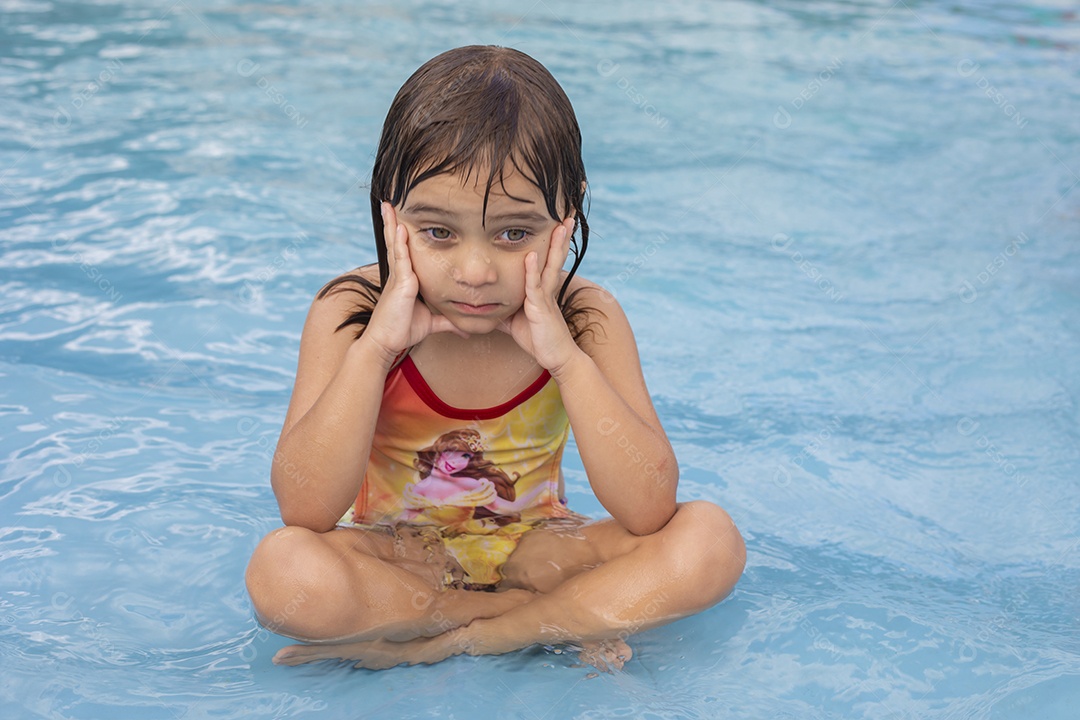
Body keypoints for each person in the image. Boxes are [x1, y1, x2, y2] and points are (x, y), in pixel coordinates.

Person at [244, 45, 745, 672]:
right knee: (283, 570)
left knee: (710, 540)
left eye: (514, 234)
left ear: (567, 214)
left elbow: (648, 510)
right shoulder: (353, 312)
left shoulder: (587, 319)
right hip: (396, 554)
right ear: (390, 212)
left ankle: (472, 635)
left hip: (539, 552)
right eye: (438, 233)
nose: (476, 272)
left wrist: (566, 360)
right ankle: (541, 620)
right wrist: (377, 351)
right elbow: (305, 510)